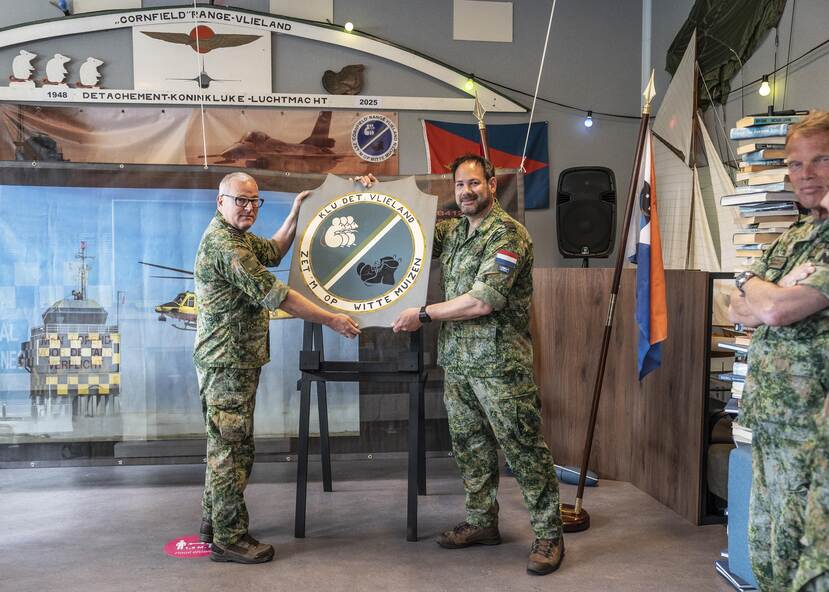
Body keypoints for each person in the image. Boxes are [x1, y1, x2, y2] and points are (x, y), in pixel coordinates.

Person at [362, 154, 564, 575]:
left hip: (500, 366)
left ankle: (548, 535)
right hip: (458, 363)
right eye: (459, 185)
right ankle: (481, 522)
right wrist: (375, 194)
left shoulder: (508, 235)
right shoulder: (454, 232)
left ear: (491, 184)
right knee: (471, 448)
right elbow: (405, 231)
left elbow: (482, 301)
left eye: (474, 183)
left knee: (523, 449)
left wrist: (423, 314)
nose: (466, 192)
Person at [194, 171, 360, 564]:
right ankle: (229, 538)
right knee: (232, 449)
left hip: (234, 361)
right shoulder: (226, 246)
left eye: (255, 201)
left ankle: (213, 522)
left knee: (225, 445)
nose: (249, 207)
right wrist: (332, 319)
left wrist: (296, 211)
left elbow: (273, 250)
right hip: (227, 364)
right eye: (241, 200)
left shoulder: (236, 236)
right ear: (221, 202)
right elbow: (278, 295)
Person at [728, 111, 829, 591]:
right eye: (794, 163)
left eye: (820, 159)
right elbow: (737, 307)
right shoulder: (794, 237)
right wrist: (763, 285)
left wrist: (757, 285)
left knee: (808, 564)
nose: (805, 174)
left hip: (814, 431)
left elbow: (775, 310)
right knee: (768, 551)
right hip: (772, 423)